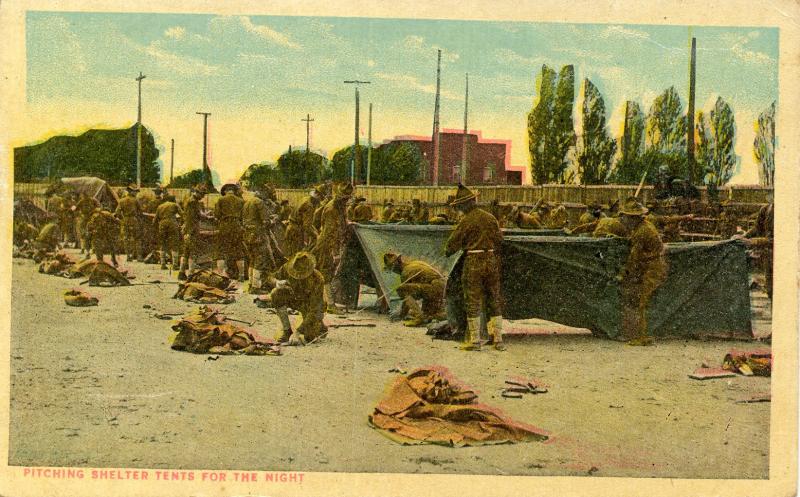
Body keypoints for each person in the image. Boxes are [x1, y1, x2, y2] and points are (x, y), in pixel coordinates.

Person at [444, 184, 505, 351]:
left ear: (464, 205)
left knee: (472, 299)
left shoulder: (466, 221)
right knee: (494, 298)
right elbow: (500, 240)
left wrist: (448, 252)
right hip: (491, 260)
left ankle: (475, 341)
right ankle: (498, 340)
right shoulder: (490, 218)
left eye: (459, 207)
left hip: (473, 261)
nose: (459, 209)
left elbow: (451, 246)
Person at [617, 197, 667, 346]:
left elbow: (634, 258)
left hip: (653, 268)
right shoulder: (644, 226)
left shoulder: (641, 232)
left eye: (625, 216)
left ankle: (643, 337)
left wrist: (624, 274)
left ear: (633, 218)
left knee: (643, 302)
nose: (623, 219)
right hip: (654, 266)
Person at [262, 251, 327, 346]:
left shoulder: (317, 278)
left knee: (309, 337)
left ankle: (320, 326)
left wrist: (298, 332)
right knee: (276, 293)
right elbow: (269, 278)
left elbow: (314, 309)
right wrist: (276, 282)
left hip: (310, 306)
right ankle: (287, 330)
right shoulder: (287, 268)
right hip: (294, 298)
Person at [311, 182, 352, 314]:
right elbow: (330, 233)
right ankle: (330, 304)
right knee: (326, 273)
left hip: (329, 243)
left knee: (325, 272)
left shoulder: (339, 207)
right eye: (345, 198)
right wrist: (335, 252)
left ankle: (325, 302)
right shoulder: (331, 209)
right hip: (326, 245)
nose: (346, 201)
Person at [384, 252, 446, 327]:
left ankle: (418, 317)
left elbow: (406, 296)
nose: (394, 271)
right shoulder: (414, 263)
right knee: (429, 316)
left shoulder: (405, 272)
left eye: (392, 268)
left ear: (397, 264)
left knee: (401, 289)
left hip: (435, 288)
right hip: (442, 288)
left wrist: (401, 315)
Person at [243, 184, 283, 293]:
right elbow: (265, 222)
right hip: (258, 235)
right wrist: (274, 220)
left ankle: (251, 284)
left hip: (248, 234)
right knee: (260, 260)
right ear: (263, 193)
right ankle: (256, 287)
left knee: (252, 259)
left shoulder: (247, 202)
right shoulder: (259, 202)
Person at [739, 194, 774, 300]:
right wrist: (743, 236)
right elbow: (756, 227)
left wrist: (753, 242)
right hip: (769, 256)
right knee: (770, 290)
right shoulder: (766, 208)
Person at [214, 183, 246, 280]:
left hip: (224, 226)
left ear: (225, 191)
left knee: (221, 251)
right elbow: (243, 216)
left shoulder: (221, 200)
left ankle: (221, 276)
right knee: (238, 251)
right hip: (237, 226)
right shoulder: (241, 201)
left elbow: (217, 215)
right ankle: (241, 275)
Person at [178, 184, 210, 280]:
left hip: (187, 229)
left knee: (186, 252)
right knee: (193, 252)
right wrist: (207, 216)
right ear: (198, 193)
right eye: (203, 194)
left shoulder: (189, 200)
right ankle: (191, 274)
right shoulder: (193, 202)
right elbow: (196, 217)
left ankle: (181, 273)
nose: (203, 196)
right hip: (191, 230)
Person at [285, 186, 322, 258]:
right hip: (296, 232)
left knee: (291, 255)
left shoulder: (305, 199)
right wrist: (316, 235)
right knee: (296, 258)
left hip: (291, 228)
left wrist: (314, 231)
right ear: (318, 197)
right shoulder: (309, 206)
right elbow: (307, 226)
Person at [153, 193, 183, 270]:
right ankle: (175, 265)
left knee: (163, 244)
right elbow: (183, 214)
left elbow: (155, 220)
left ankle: (163, 264)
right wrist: (180, 223)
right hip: (172, 224)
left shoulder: (160, 206)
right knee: (174, 244)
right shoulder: (174, 205)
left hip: (162, 224)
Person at [114, 184, 142, 262]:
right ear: (131, 192)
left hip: (125, 220)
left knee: (126, 238)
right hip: (134, 220)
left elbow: (117, 212)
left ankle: (128, 256)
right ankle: (139, 256)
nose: (136, 193)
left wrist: (122, 218)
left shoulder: (121, 201)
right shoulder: (136, 200)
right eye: (135, 191)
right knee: (137, 238)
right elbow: (140, 211)